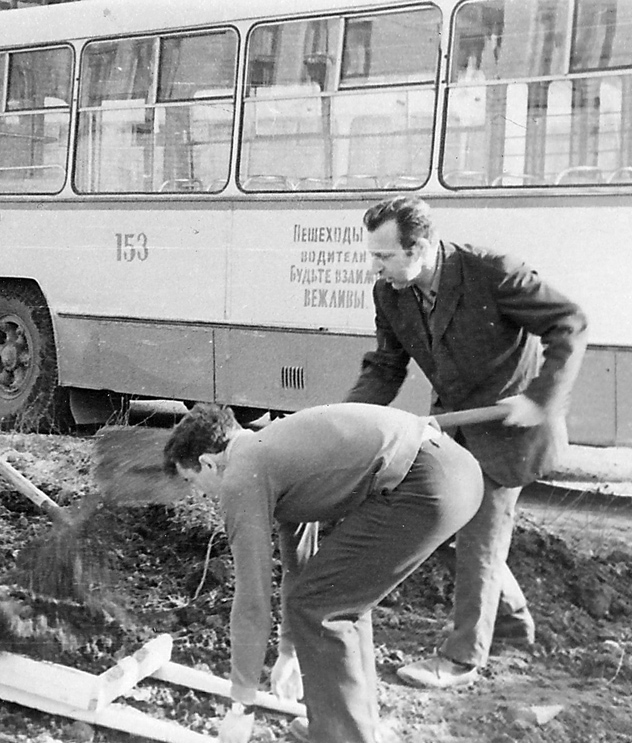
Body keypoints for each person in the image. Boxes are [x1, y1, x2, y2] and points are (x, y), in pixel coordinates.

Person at [345, 195, 588, 688]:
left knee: (478, 536)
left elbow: (570, 322)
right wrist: (347, 419)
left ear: (421, 247)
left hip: (508, 431)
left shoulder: (491, 272)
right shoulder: (390, 293)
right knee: (459, 526)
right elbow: (387, 366)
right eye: (372, 255)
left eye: (385, 255)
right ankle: (514, 627)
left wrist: (541, 398)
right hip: (454, 428)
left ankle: (462, 658)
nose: (375, 266)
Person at [163, 403, 483, 743]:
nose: (200, 493)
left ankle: (342, 735)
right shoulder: (271, 451)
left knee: (322, 605)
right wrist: (289, 650)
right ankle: (351, 727)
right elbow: (298, 563)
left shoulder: (242, 475)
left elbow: (253, 599)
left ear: (208, 463)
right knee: (338, 598)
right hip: (453, 470)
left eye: (192, 480)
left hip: (425, 483)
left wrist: (242, 704)